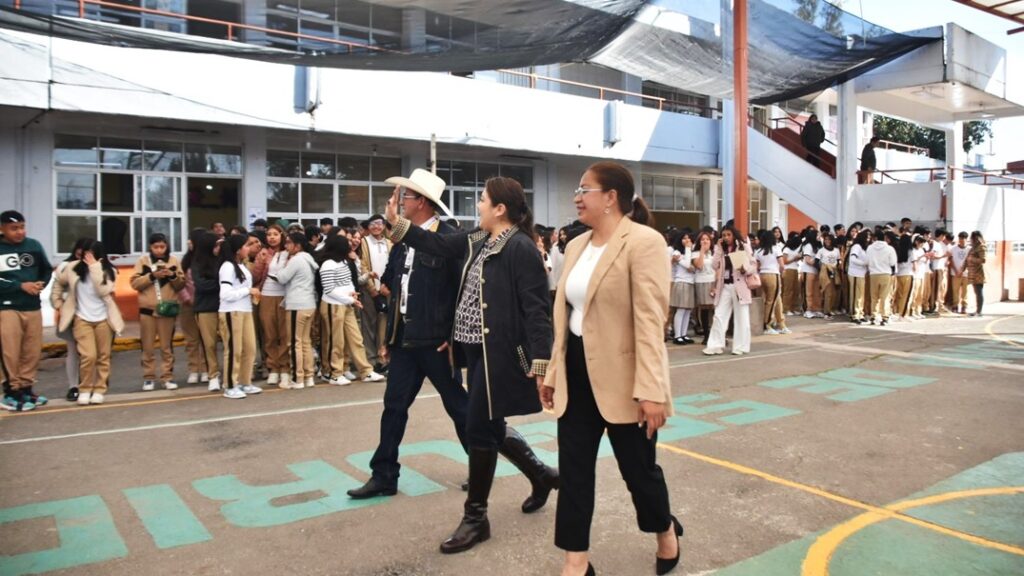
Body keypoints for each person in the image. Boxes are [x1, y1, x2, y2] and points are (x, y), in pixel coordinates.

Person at [385, 176, 557, 554]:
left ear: (500, 209)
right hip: (472, 352)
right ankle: (541, 475)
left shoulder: (520, 249)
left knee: (478, 429)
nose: (477, 206)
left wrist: (541, 363)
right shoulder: (478, 240)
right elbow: (435, 242)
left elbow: (537, 310)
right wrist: (398, 225)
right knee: (491, 428)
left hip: (501, 355)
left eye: (482, 200)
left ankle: (476, 518)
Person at [541, 161, 681, 576]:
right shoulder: (576, 246)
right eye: (577, 191)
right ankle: (575, 563)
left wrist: (652, 389)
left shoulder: (644, 242)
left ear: (611, 198)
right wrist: (553, 374)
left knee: (639, 474)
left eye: (585, 189)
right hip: (577, 376)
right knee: (575, 474)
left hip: (628, 382)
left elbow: (650, 321)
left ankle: (665, 533)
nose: (577, 198)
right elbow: (565, 318)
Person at [347, 169, 470, 500]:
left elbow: (463, 289)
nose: (400, 203)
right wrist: (390, 338)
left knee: (458, 405)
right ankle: (384, 474)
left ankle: (481, 464)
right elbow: (391, 281)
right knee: (394, 407)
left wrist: (453, 334)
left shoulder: (449, 236)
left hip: (436, 341)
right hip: (406, 340)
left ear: (424, 203)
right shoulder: (403, 238)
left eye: (406, 197)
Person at [51, 240, 123, 405]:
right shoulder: (72, 268)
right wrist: (58, 304)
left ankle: (99, 389)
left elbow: (103, 290)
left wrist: (95, 267)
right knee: (88, 356)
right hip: (82, 319)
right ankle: (84, 388)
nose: (87, 258)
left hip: (104, 319)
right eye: (85, 254)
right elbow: (58, 283)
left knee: (103, 356)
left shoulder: (109, 270)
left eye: (91, 255)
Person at [1, 210, 54, 411]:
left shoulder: (33, 245)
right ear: (2, 228)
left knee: (31, 350)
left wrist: (41, 283)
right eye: (14, 228)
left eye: (22, 227)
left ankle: (26, 388)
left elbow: (46, 270)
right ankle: (11, 391)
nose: (19, 232)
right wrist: (20, 286)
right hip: (7, 307)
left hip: (32, 306)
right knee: (10, 350)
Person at [131, 233, 186, 391]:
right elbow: (134, 283)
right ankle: (148, 377)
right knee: (147, 346)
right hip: (147, 310)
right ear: (150, 247)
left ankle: (167, 376)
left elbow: (181, 284)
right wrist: (151, 276)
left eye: (162, 246)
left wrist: (172, 275)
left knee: (166, 346)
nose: (159, 250)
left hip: (167, 309)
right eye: (156, 247)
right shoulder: (143, 261)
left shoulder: (174, 261)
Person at [271, 232, 320, 389]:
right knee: (305, 342)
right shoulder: (308, 258)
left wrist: (279, 267)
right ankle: (309, 376)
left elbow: (282, 278)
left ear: (297, 245)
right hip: (309, 303)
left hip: (296, 304)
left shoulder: (296, 260)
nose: (286, 246)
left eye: (289, 243)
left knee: (294, 342)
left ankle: (297, 378)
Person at [217, 234, 263, 399]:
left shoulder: (241, 266)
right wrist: (248, 291)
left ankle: (245, 381)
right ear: (237, 250)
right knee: (234, 350)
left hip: (245, 310)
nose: (248, 248)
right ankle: (230, 384)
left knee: (249, 348)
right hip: (231, 312)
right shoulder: (227, 267)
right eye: (245, 245)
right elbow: (225, 294)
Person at [704, 225, 757, 355]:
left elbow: (753, 265)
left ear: (733, 235)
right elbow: (714, 265)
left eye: (728, 235)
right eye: (723, 235)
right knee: (719, 315)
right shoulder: (720, 248)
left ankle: (740, 347)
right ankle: (715, 345)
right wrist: (718, 248)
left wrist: (745, 269)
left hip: (740, 286)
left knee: (741, 317)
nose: (726, 237)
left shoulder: (743, 246)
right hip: (724, 286)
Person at [54, 238, 91, 401]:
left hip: (91, 314)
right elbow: (57, 290)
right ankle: (73, 386)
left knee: (90, 353)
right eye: (80, 249)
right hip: (72, 315)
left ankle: (88, 384)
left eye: (86, 250)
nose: (82, 253)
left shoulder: (95, 266)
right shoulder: (64, 267)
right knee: (73, 351)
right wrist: (61, 305)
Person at [256, 224, 292, 388]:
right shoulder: (263, 253)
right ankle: (273, 368)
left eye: (275, 234)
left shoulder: (289, 253)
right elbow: (255, 276)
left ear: (281, 235)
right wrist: (261, 261)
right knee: (269, 335)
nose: (271, 237)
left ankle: (285, 369)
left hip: (285, 296)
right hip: (266, 296)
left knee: (284, 335)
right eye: (269, 234)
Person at [359, 215, 393, 372]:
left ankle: (383, 358)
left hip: (386, 289)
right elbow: (363, 266)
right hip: (369, 290)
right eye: (373, 224)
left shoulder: (389, 243)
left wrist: (386, 286)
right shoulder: (364, 242)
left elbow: (392, 265)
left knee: (384, 325)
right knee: (369, 324)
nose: (376, 227)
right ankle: (371, 359)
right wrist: (372, 289)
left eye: (380, 224)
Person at [191, 232, 223, 391]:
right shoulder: (197, 263)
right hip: (205, 308)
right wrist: (221, 284)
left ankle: (229, 373)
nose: (218, 248)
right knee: (209, 344)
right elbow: (202, 285)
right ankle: (213, 375)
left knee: (229, 341)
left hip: (223, 306)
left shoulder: (222, 261)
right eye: (216, 245)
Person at [179, 229, 210, 386]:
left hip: (204, 304)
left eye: (191, 240)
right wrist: (186, 298)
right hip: (188, 305)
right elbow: (179, 283)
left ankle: (206, 369)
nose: (188, 243)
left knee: (206, 338)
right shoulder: (186, 261)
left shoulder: (208, 260)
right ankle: (193, 369)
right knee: (191, 340)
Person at [756, 229, 788, 334]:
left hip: (762, 275)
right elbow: (782, 265)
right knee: (771, 301)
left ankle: (781, 323)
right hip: (773, 275)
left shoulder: (758, 251)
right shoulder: (776, 249)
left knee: (775, 299)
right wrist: (781, 272)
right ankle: (767, 325)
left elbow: (757, 266)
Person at [669, 232, 697, 344]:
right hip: (681, 282)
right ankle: (677, 335)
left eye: (689, 238)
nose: (687, 240)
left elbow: (693, 268)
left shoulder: (692, 252)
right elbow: (687, 265)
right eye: (684, 238)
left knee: (687, 310)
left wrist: (690, 265)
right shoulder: (677, 252)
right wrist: (688, 249)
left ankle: (684, 334)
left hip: (690, 283)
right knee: (680, 309)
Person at [866, 232, 898, 325]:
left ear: (875, 238)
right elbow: (892, 262)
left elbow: (867, 260)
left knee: (874, 297)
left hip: (873, 274)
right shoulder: (889, 248)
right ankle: (885, 317)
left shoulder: (870, 248)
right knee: (885, 297)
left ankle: (874, 316)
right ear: (884, 238)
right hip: (885, 273)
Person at [847, 230, 871, 324]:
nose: (868, 239)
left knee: (861, 295)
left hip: (861, 274)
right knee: (855, 295)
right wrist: (863, 263)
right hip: (855, 273)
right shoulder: (856, 247)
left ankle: (860, 313)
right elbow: (852, 259)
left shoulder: (863, 248)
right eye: (867, 237)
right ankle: (854, 314)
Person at [799, 229, 823, 319]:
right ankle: (808, 310)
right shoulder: (808, 245)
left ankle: (816, 309)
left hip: (816, 271)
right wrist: (817, 263)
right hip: (808, 271)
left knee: (817, 292)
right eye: (817, 235)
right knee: (808, 291)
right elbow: (807, 259)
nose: (819, 237)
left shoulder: (818, 246)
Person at [816, 233, 841, 318]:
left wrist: (836, 268)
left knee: (834, 292)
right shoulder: (821, 250)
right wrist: (822, 270)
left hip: (834, 271)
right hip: (825, 271)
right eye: (826, 239)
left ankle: (831, 308)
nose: (827, 241)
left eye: (829, 239)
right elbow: (816, 261)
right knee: (827, 292)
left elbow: (839, 261)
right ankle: (826, 311)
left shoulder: (836, 250)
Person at [781, 233, 802, 316]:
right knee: (788, 290)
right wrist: (794, 259)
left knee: (795, 290)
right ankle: (786, 308)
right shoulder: (786, 249)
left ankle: (794, 307)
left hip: (795, 269)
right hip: (788, 269)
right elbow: (784, 261)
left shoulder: (796, 249)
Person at [966, 231, 987, 317]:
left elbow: (983, 260)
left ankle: (979, 311)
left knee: (979, 292)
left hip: (979, 273)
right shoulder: (973, 247)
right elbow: (967, 259)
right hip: (972, 273)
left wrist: (972, 259)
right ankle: (977, 310)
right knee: (976, 292)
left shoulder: (981, 247)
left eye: (972, 238)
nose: (971, 240)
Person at [929, 230, 950, 314]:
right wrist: (943, 256)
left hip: (941, 268)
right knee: (936, 288)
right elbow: (933, 256)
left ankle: (938, 306)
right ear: (941, 235)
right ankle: (933, 306)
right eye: (943, 236)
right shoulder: (935, 244)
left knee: (940, 288)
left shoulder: (940, 244)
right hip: (936, 268)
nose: (944, 238)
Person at [949, 232, 970, 314]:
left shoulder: (969, 249)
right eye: (961, 239)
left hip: (966, 273)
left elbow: (969, 261)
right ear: (958, 239)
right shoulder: (953, 249)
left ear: (967, 239)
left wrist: (963, 270)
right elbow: (951, 260)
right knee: (955, 290)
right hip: (955, 273)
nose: (962, 240)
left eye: (964, 239)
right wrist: (956, 270)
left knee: (965, 291)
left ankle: (964, 306)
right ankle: (955, 306)